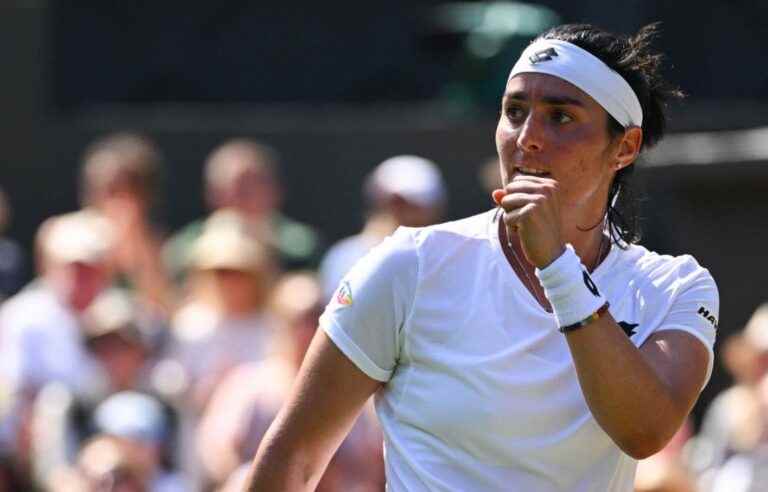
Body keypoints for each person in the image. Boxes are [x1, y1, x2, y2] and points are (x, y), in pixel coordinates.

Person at [245, 23, 719, 491]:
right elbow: (293, 459)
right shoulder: (408, 265)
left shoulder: (676, 288)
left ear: (625, 147)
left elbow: (644, 431)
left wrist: (556, 266)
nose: (527, 136)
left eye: (561, 117)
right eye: (514, 111)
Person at [163, 138, 322, 280]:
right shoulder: (188, 245)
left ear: (275, 190)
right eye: (231, 188)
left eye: (251, 186)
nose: (241, 197)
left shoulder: (300, 244)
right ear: (211, 194)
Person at [318, 154, 447, 301]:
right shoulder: (345, 257)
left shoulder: (448, 258)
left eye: (414, 206)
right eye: (396, 203)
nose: (404, 212)